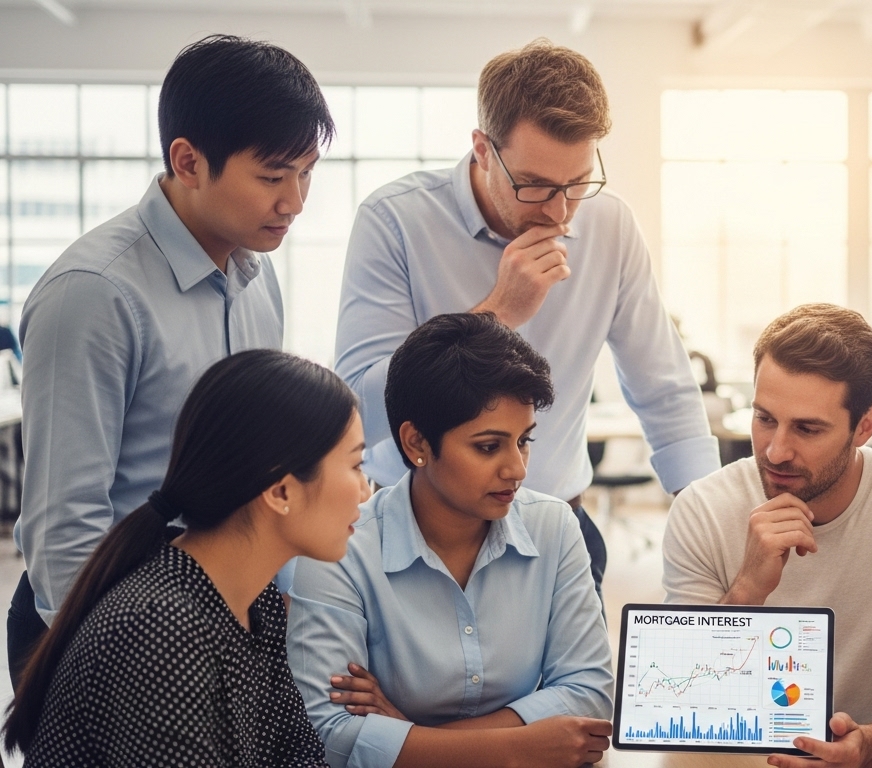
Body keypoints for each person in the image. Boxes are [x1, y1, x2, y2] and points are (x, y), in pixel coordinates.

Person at [335, 39, 719, 593]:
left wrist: (711, 523)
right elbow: (356, 412)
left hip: (560, 533)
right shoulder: (394, 221)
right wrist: (496, 314)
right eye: (534, 184)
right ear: (482, 150)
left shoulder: (611, 225)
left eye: (577, 184)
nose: (559, 212)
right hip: (415, 539)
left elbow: (665, 389)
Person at [8, 34, 333, 685]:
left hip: (214, 615)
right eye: (273, 176)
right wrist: (135, 664)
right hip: (111, 633)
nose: (295, 201)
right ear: (188, 161)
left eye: (306, 173)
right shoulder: (93, 294)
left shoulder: (255, 275)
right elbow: (64, 527)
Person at [663, 304, 872, 768]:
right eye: (764, 419)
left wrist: (870, 746)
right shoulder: (702, 509)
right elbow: (675, 704)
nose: (776, 451)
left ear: (865, 426)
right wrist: (746, 592)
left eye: (807, 428)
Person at [3, 349, 370, 766]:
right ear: (281, 490)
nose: (365, 491)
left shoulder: (256, 601)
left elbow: (299, 756)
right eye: (356, 466)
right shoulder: (159, 630)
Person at [289, 313, 613, 768]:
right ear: (416, 443)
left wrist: (410, 738)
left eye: (524, 440)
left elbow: (590, 694)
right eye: (488, 446)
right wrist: (520, 747)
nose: (517, 469)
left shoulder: (554, 525)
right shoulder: (340, 551)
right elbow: (328, 736)